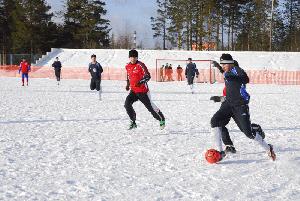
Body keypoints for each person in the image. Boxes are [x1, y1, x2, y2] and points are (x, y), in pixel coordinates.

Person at [210, 53, 276, 161]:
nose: (223, 67)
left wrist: (231, 76)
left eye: (224, 65)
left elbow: (245, 79)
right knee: (215, 121)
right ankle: (219, 152)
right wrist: (218, 66)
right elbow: (225, 74)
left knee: (248, 133)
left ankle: (268, 147)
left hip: (240, 106)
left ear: (230, 64)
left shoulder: (236, 69)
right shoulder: (226, 72)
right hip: (228, 104)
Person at [125, 49, 165, 130]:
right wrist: (128, 84)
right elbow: (128, 76)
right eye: (131, 57)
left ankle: (161, 119)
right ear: (129, 57)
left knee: (150, 108)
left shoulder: (140, 65)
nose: (133, 59)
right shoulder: (127, 66)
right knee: (127, 104)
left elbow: (148, 76)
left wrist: (140, 82)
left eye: (135, 57)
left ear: (137, 57)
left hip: (143, 91)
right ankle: (133, 122)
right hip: (133, 91)